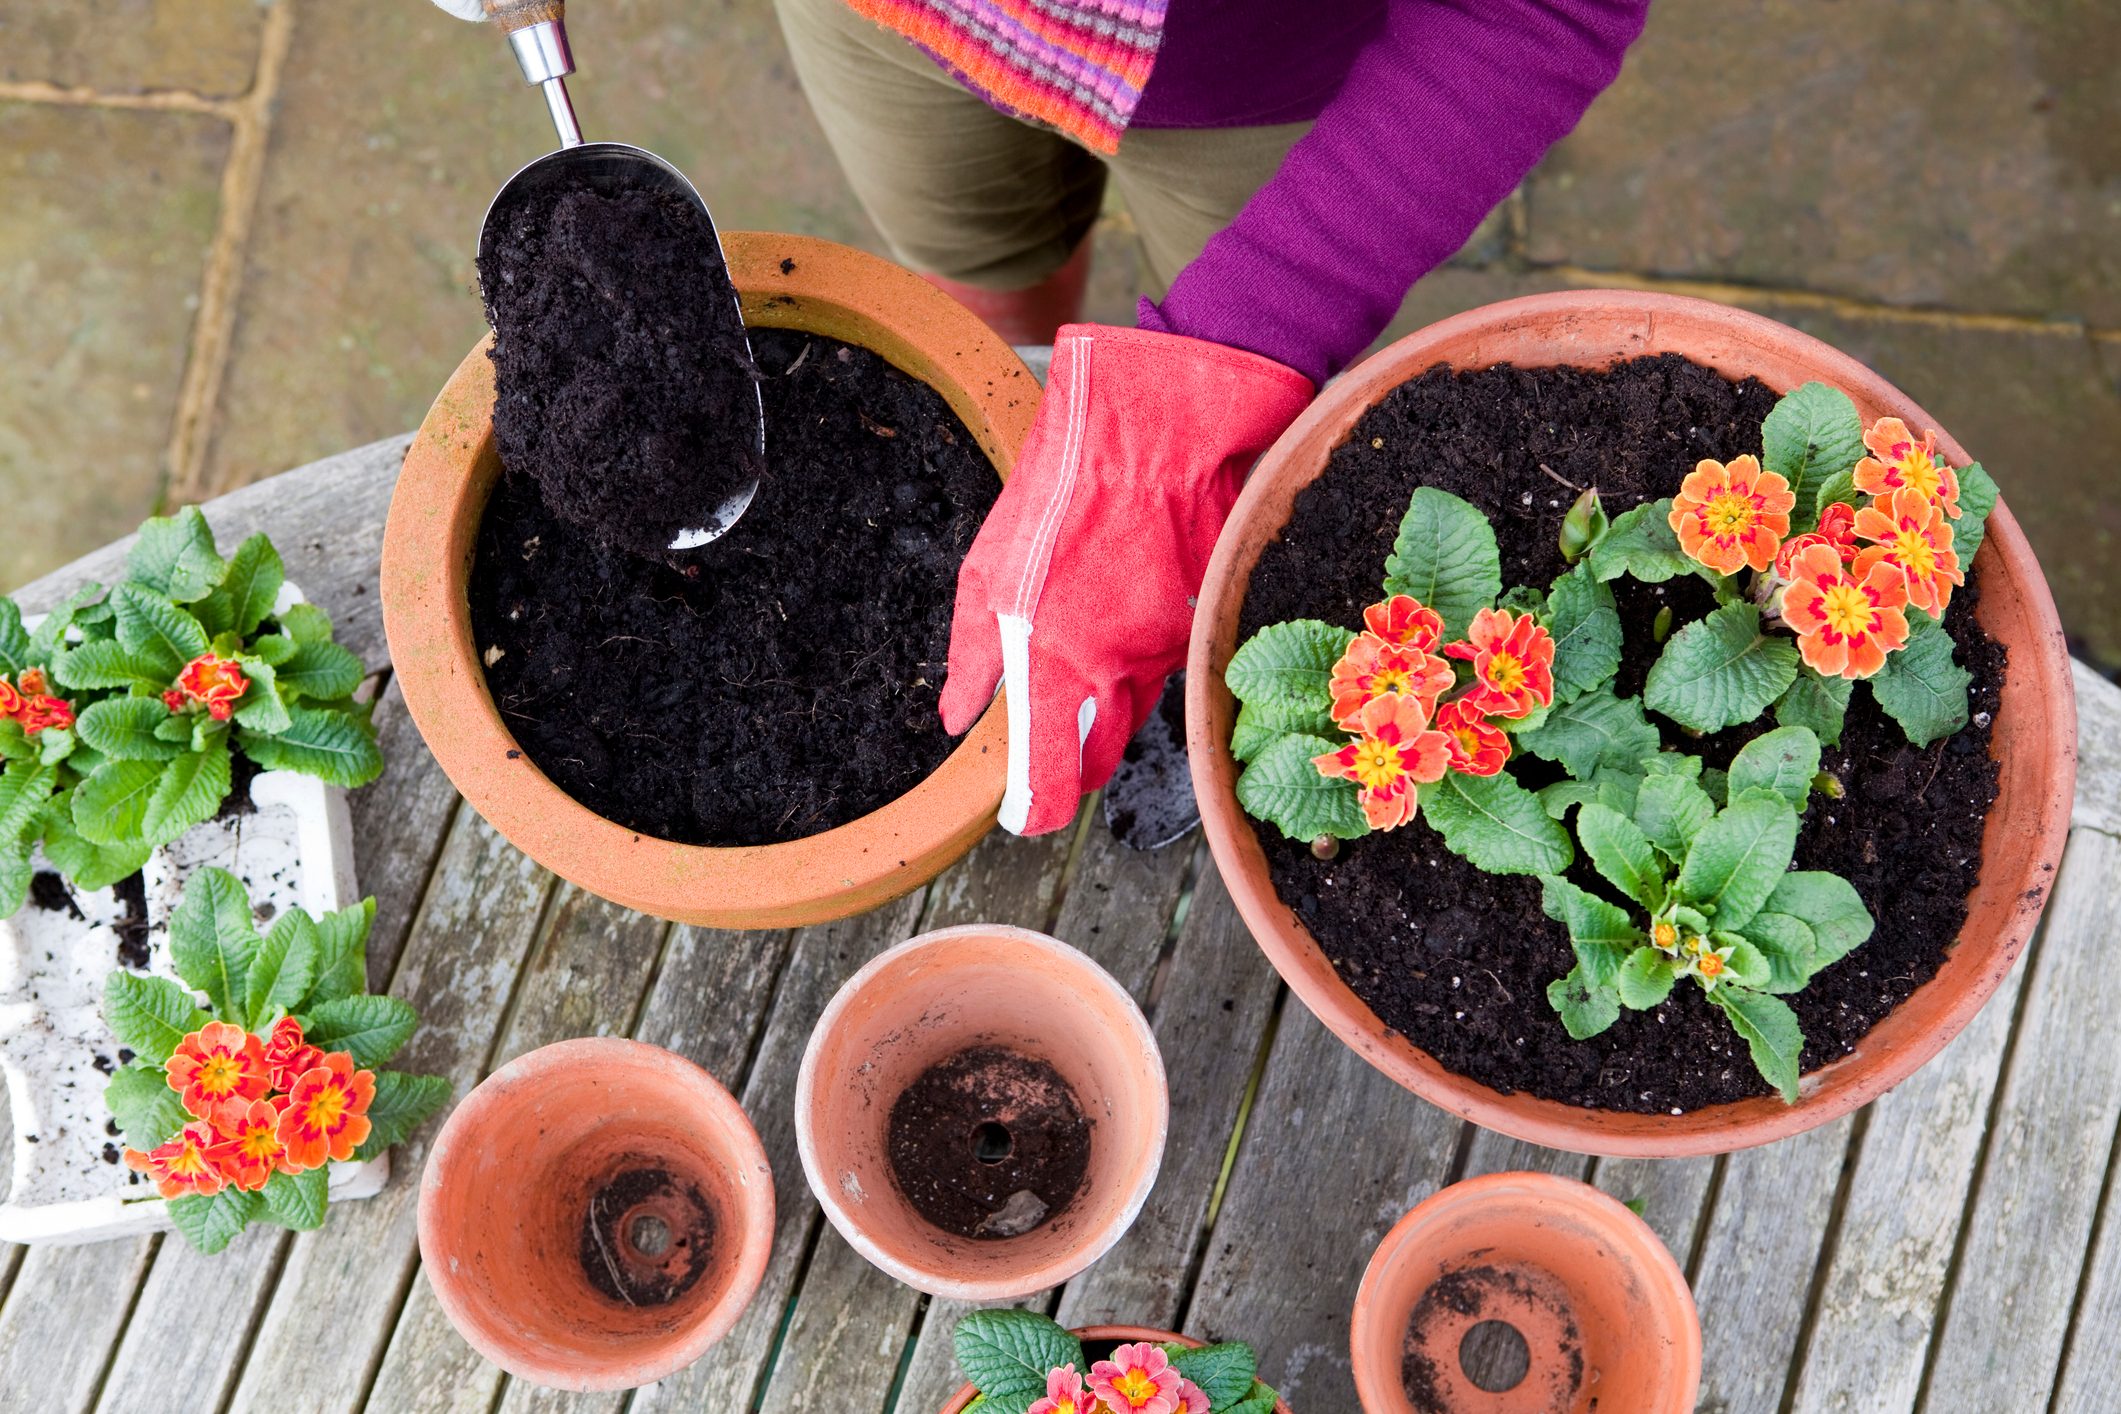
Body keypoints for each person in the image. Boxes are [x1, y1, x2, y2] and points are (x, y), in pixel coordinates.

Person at [442, 0, 1653, 836]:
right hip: (903, 31)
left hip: (1275, 67)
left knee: (1254, 436)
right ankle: (1030, 429)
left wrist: (1233, 349)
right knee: (979, 272)